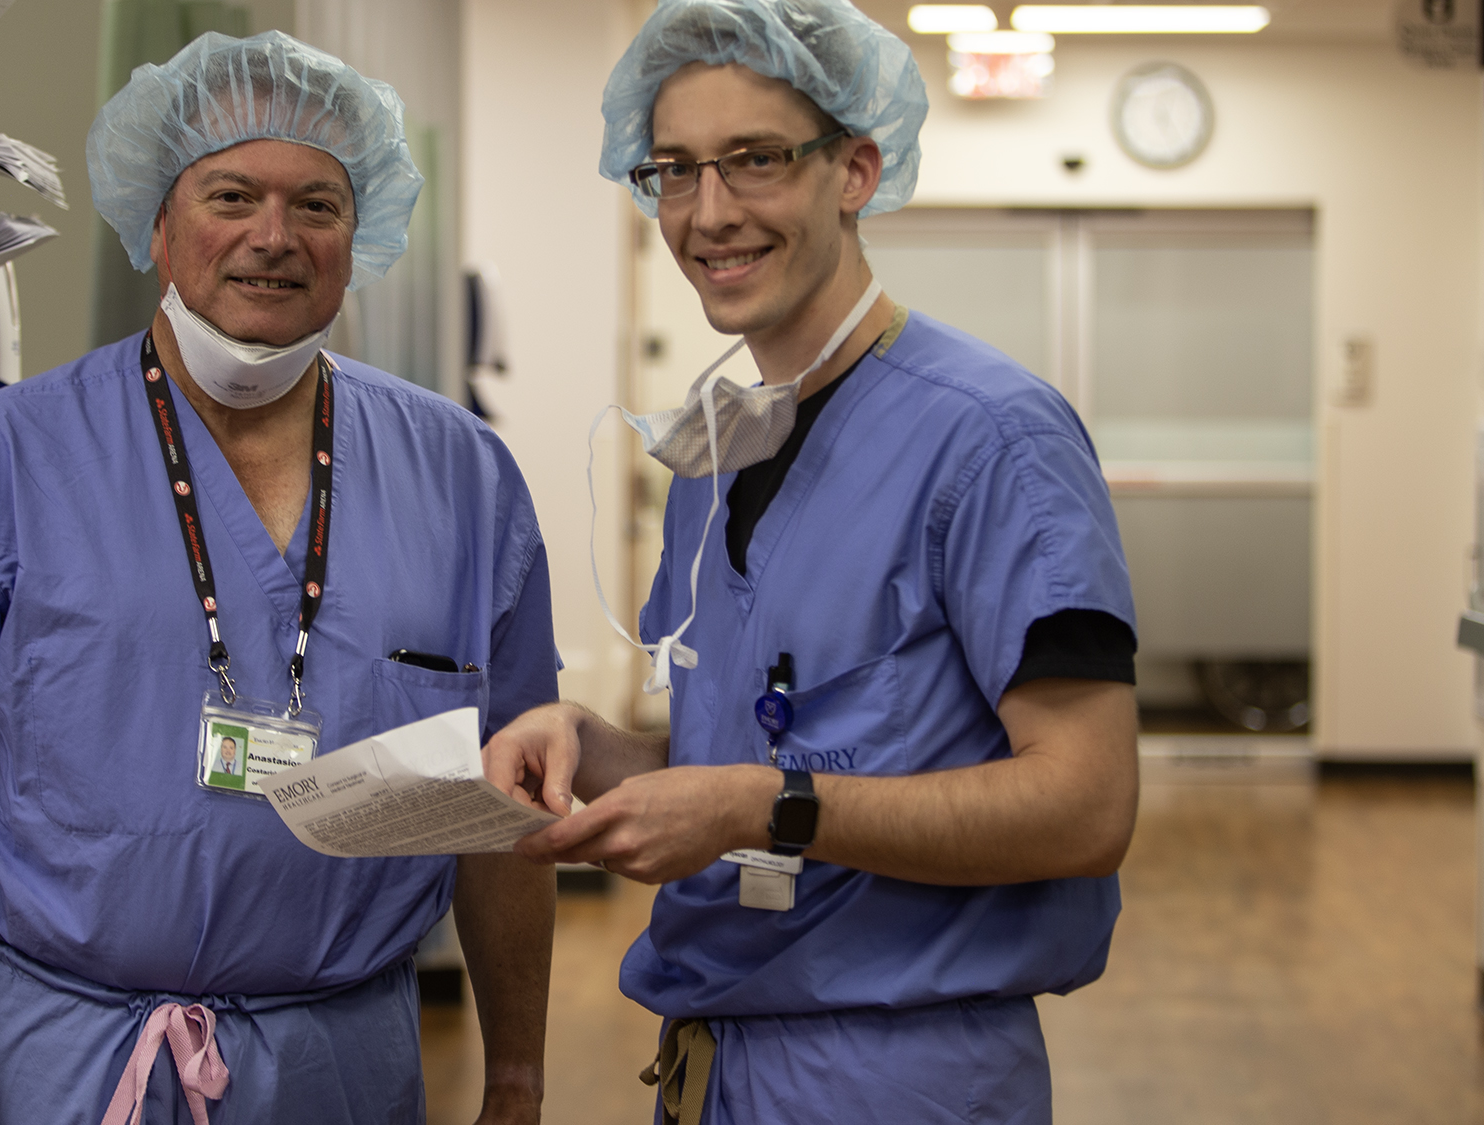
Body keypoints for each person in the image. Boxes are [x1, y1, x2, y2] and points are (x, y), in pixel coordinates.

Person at [0, 30, 556, 1125]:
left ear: (358, 235)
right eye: (230, 194)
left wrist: (514, 1080)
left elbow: (502, 805)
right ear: (157, 224)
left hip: (341, 1067)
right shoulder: (1, 463)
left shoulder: (461, 477)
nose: (272, 237)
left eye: (316, 203)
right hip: (58, 1063)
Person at [482, 1, 1139, 1121]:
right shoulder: (715, 454)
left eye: (754, 161)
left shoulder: (988, 439)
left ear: (854, 169)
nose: (708, 212)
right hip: (717, 1066)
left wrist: (759, 805)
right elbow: (762, 755)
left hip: (901, 1070)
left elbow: (1083, 808)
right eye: (674, 171)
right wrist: (596, 749)